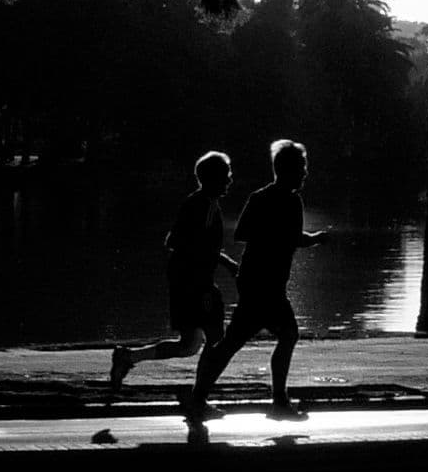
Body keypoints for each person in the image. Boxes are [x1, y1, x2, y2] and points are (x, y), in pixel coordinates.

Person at [188, 138, 321, 418]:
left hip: (256, 280)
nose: (306, 173)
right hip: (265, 283)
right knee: (285, 335)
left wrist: (306, 239)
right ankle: (278, 401)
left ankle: (200, 396)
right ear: (289, 170)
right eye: (302, 168)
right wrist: (306, 238)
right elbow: (279, 237)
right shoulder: (285, 200)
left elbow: (250, 234)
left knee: (237, 341)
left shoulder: (263, 198)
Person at [108, 151, 236, 394]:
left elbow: (194, 244)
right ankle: (200, 396)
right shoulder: (201, 206)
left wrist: (227, 264)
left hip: (190, 281)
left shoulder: (206, 204)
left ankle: (128, 357)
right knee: (215, 340)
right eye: (226, 176)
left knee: (189, 346)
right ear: (213, 179)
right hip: (194, 284)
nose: (229, 181)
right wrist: (217, 264)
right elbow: (176, 241)